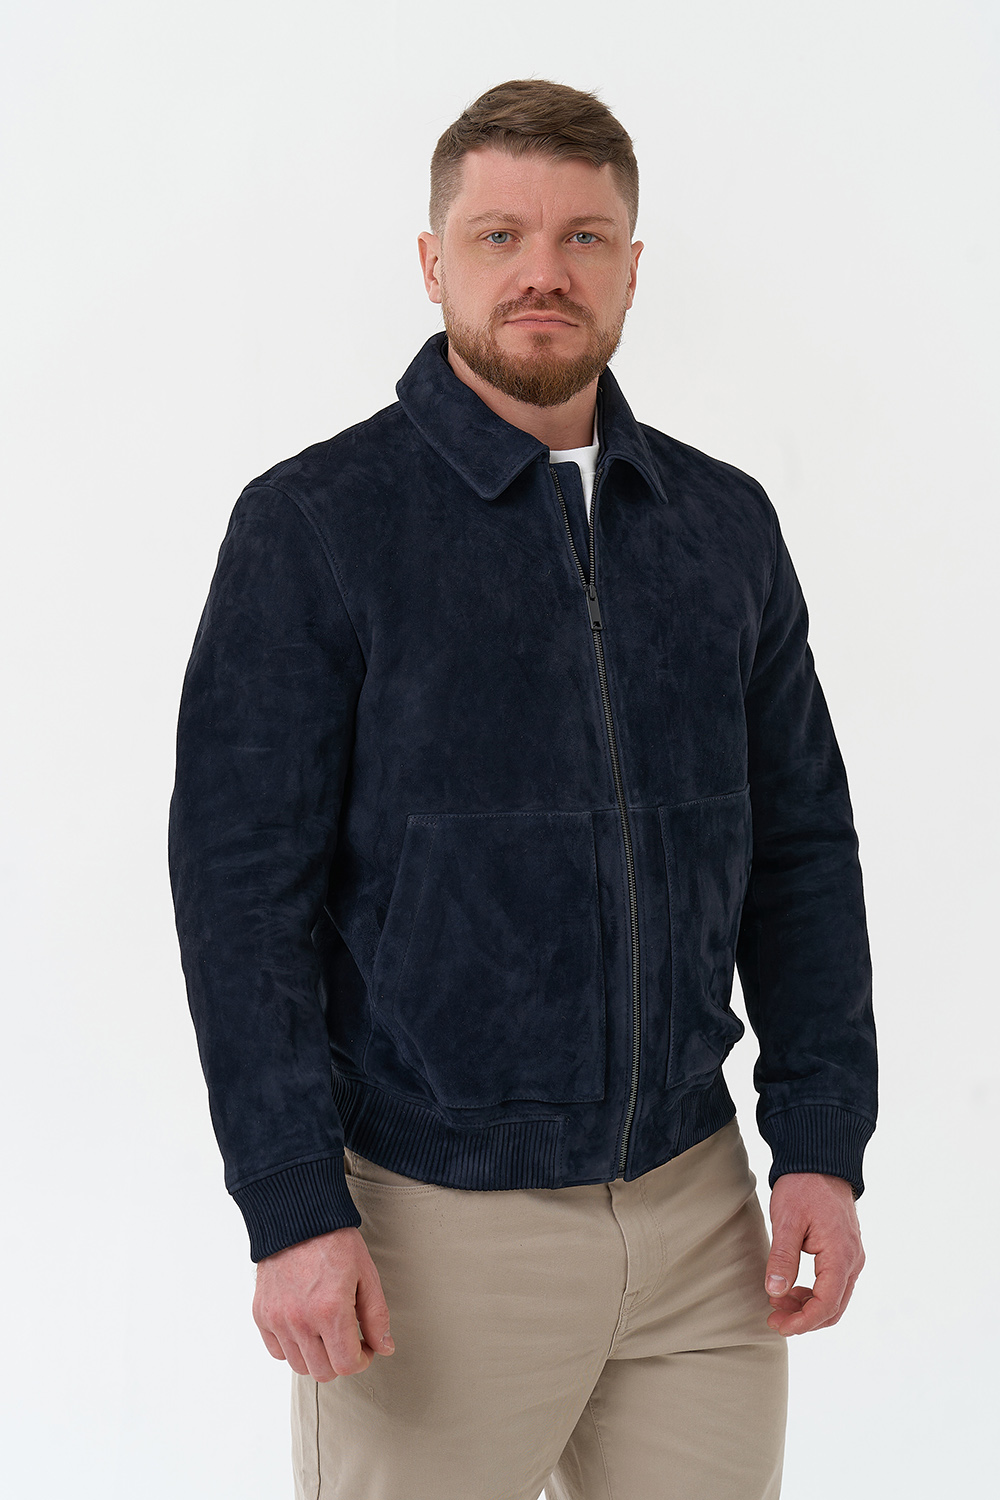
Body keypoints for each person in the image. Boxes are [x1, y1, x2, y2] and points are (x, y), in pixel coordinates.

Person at [168, 78, 877, 1500]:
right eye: (499, 236)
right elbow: (241, 899)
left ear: (632, 266)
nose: (542, 271)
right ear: (434, 263)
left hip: (700, 1220)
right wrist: (292, 1207)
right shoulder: (317, 524)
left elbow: (801, 849)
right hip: (431, 1233)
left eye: (583, 238)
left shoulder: (723, 525)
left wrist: (822, 1144)